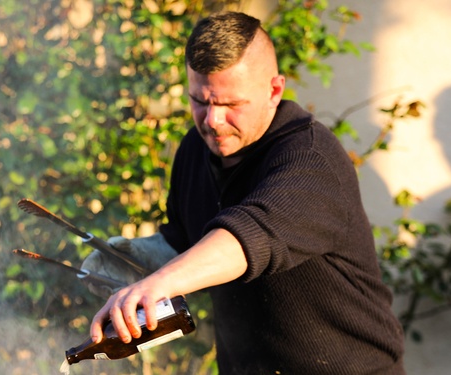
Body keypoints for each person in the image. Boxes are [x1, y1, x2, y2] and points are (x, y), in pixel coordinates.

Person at [83, 11, 406, 375]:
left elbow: (251, 234)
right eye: (199, 101)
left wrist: (157, 283)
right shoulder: (195, 149)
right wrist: (140, 260)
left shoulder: (311, 160)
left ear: (274, 90)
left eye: (231, 104)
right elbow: (189, 241)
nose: (212, 121)